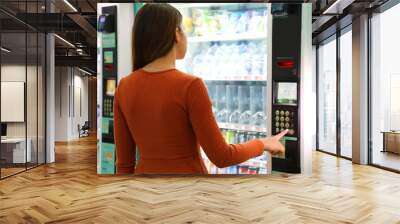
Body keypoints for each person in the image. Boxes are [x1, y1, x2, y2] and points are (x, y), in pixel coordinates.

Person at [114, 3, 287, 175]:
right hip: (189, 189)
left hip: (144, 191)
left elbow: (124, 165)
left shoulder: (124, 87)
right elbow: (222, 156)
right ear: (176, 34)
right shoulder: (190, 85)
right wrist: (263, 143)